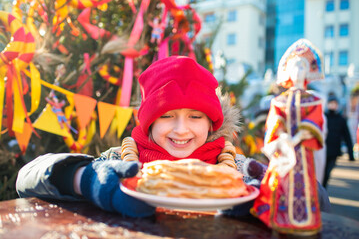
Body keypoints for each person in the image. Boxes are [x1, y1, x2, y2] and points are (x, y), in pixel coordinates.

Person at [16, 56, 328, 219]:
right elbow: (27, 178)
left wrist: (282, 180)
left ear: (211, 124)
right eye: (166, 116)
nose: (181, 130)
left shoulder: (240, 172)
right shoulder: (119, 164)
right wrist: (84, 178)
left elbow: (322, 202)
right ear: (149, 124)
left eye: (195, 117)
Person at [251, 39, 330, 234]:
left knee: (306, 184)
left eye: (302, 67)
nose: (298, 71)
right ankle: (279, 216)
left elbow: (315, 121)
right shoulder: (279, 100)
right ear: (287, 70)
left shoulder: (314, 100)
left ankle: (304, 220)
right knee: (281, 183)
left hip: (304, 152)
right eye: (295, 67)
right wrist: (281, 136)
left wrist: (299, 136)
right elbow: (274, 121)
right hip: (284, 150)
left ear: (308, 72)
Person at [323, 93, 354, 188]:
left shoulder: (341, 119)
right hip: (323, 150)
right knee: (321, 173)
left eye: (334, 103)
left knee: (327, 173)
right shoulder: (324, 117)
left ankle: (323, 191)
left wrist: (350, 154)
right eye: (331, 103)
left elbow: (347, 136)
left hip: (334, 151)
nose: (332, 105)